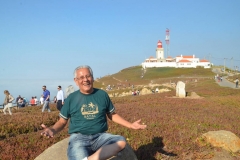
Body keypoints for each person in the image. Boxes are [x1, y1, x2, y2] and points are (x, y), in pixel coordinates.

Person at [41, 65, 147, 160]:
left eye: (88, 76)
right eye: (81, 77)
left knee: (121, 141)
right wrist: (52, 130)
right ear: (76, 81)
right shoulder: (71, 98)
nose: (85, 80)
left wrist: (131, 125)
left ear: (92, 78)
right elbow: (62, 121)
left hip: (100, 137)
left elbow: (112, 115)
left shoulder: (102, 94)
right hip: (79, 138)